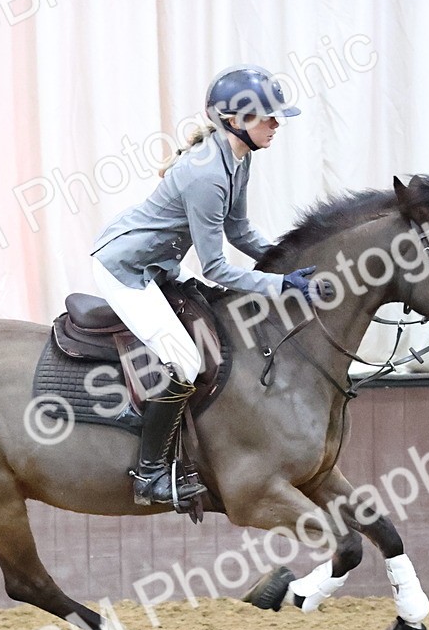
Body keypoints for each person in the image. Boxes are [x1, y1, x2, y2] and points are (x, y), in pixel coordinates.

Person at [90, 64, 317, 507]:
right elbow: (215, 267)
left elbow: (239, 230)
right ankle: (149, 474)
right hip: (126, 270)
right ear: (234, 121)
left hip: (157, 265)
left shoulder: (239, 157)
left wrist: (287, 262)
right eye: (267, 117)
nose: (276, 124)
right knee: (186, 362)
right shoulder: (208, 175)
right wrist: (280, 285)